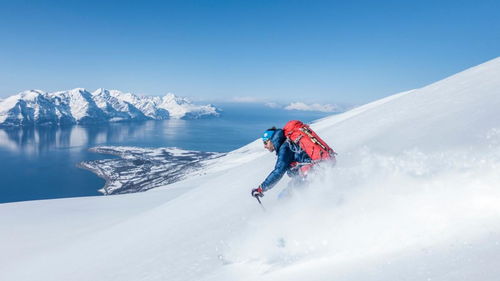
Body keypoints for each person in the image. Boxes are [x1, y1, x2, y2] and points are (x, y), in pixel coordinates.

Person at [251, 127, 313, 199]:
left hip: (307, 174)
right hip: (306, 174)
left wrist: (261, 188)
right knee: (284, 196)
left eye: (265, 142)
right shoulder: (287, 145)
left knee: (284, 198)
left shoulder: (284, 148)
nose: (265, 146)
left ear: (271, 140)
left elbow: (279, 171)